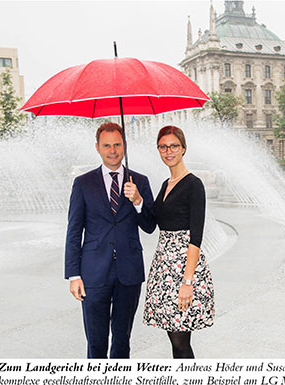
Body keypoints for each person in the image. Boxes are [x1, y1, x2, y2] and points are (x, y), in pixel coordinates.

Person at [65, 122, 156, 358]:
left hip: (129, 272)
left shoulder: (140, 181)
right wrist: (74, 275)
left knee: (122, 341)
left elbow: (149, 225)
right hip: (93, 272)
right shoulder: (83, 183)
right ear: (97, 148)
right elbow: (74, 231)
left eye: (117, 144)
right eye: (107, 145)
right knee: (95, 342)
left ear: (125, 145)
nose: (113, 150)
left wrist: (138, 201)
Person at [143, 126, 214, 358]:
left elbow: (196, 237)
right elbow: (150, 224)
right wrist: (136, 200)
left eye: (174, 146)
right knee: (174, 339)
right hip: (164, 267)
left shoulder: (193, 184)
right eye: (163, 147)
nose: (168, 151)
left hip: (183, 268)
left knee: (181, 341)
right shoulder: (165, 184)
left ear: (183, 148)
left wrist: (187, 282)